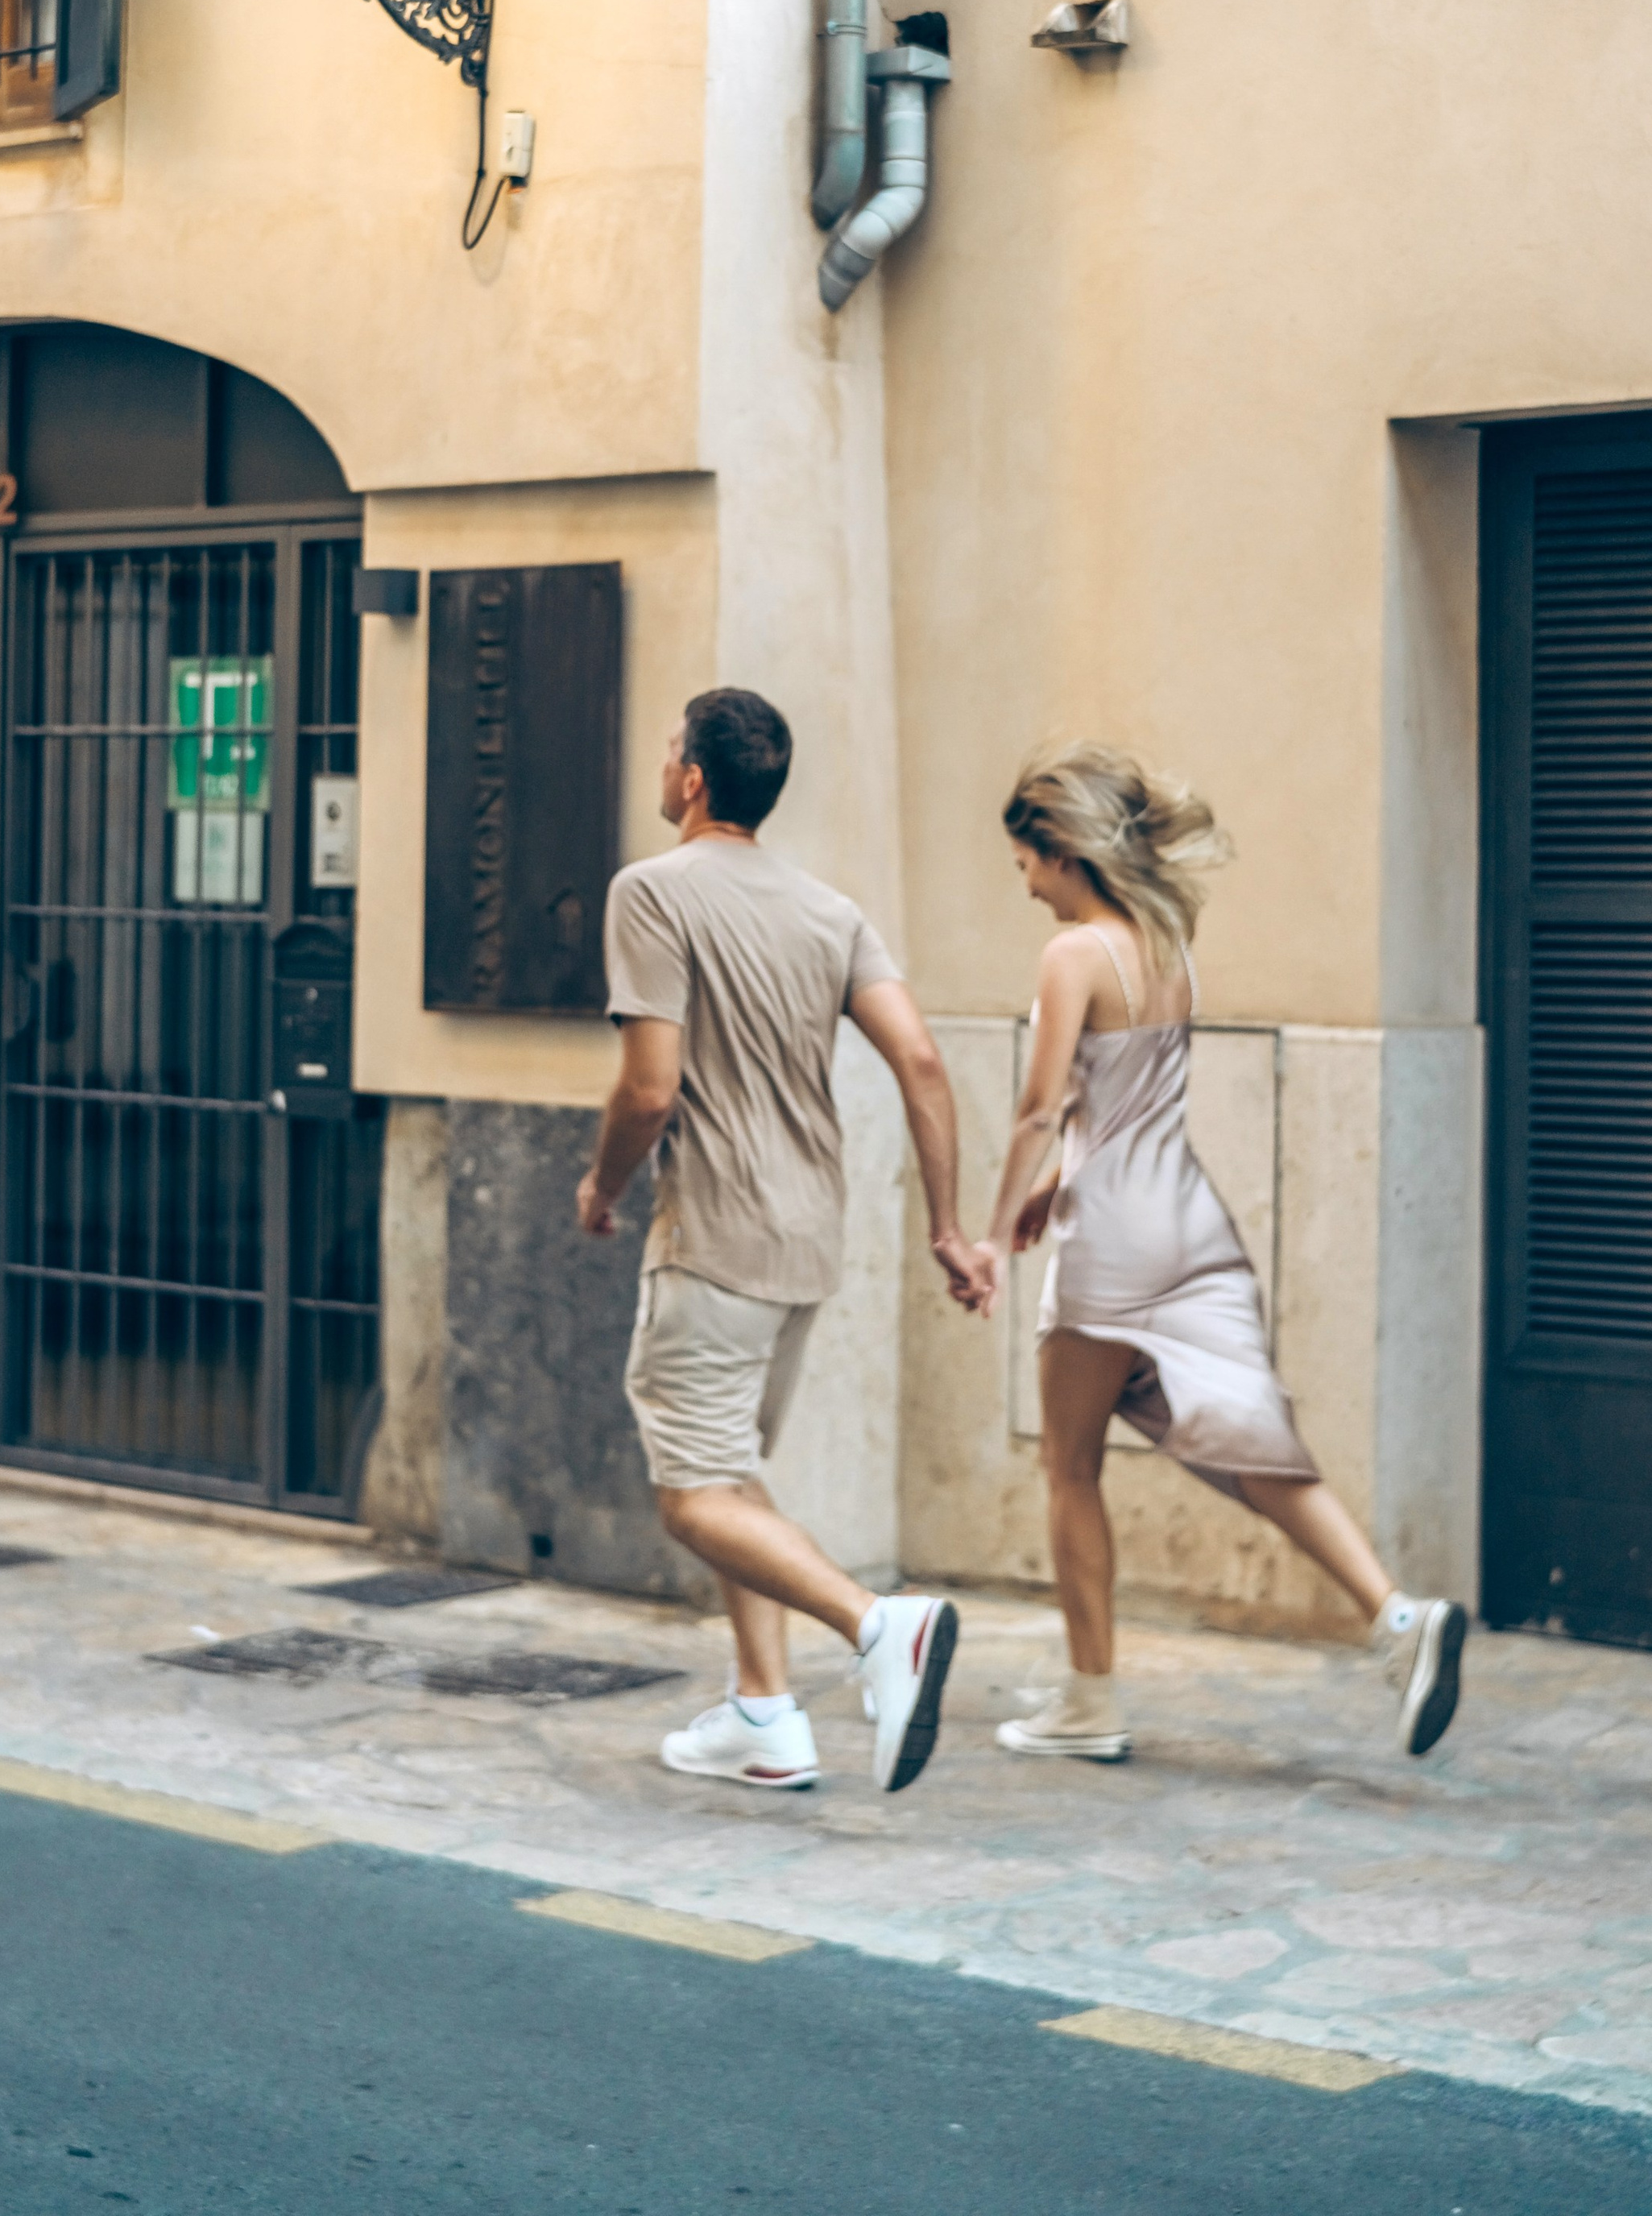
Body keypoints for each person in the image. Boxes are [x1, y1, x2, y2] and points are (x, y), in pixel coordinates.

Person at [974, 745, 1466, 1765]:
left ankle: (1089, 1702)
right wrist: (1057, 1184)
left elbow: (1041, 1107)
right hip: (1190, 1228)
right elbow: (1131, 1105)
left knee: (1069, 1468)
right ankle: (1395, 1616)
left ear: (1062, 850)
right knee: (1257, 1443)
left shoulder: (1074, 956)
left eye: (1025, 863)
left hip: (1112, 1243)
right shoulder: (1170, 943)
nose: (1024, 886)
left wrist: (992, 1228)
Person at [577, 686, 987, 1793]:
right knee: (734, 1478)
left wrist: (603, 1184)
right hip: (808, 1239)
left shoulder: (651, 891)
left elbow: (649, 1089)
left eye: (670, 750)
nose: (662, 766)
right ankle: (763, 1714)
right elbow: (924, 1064)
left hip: (715, 1235)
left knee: (693, 1496)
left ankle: (877, 1627)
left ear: (693, 779)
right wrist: (948, 1228)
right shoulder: (829, 910)